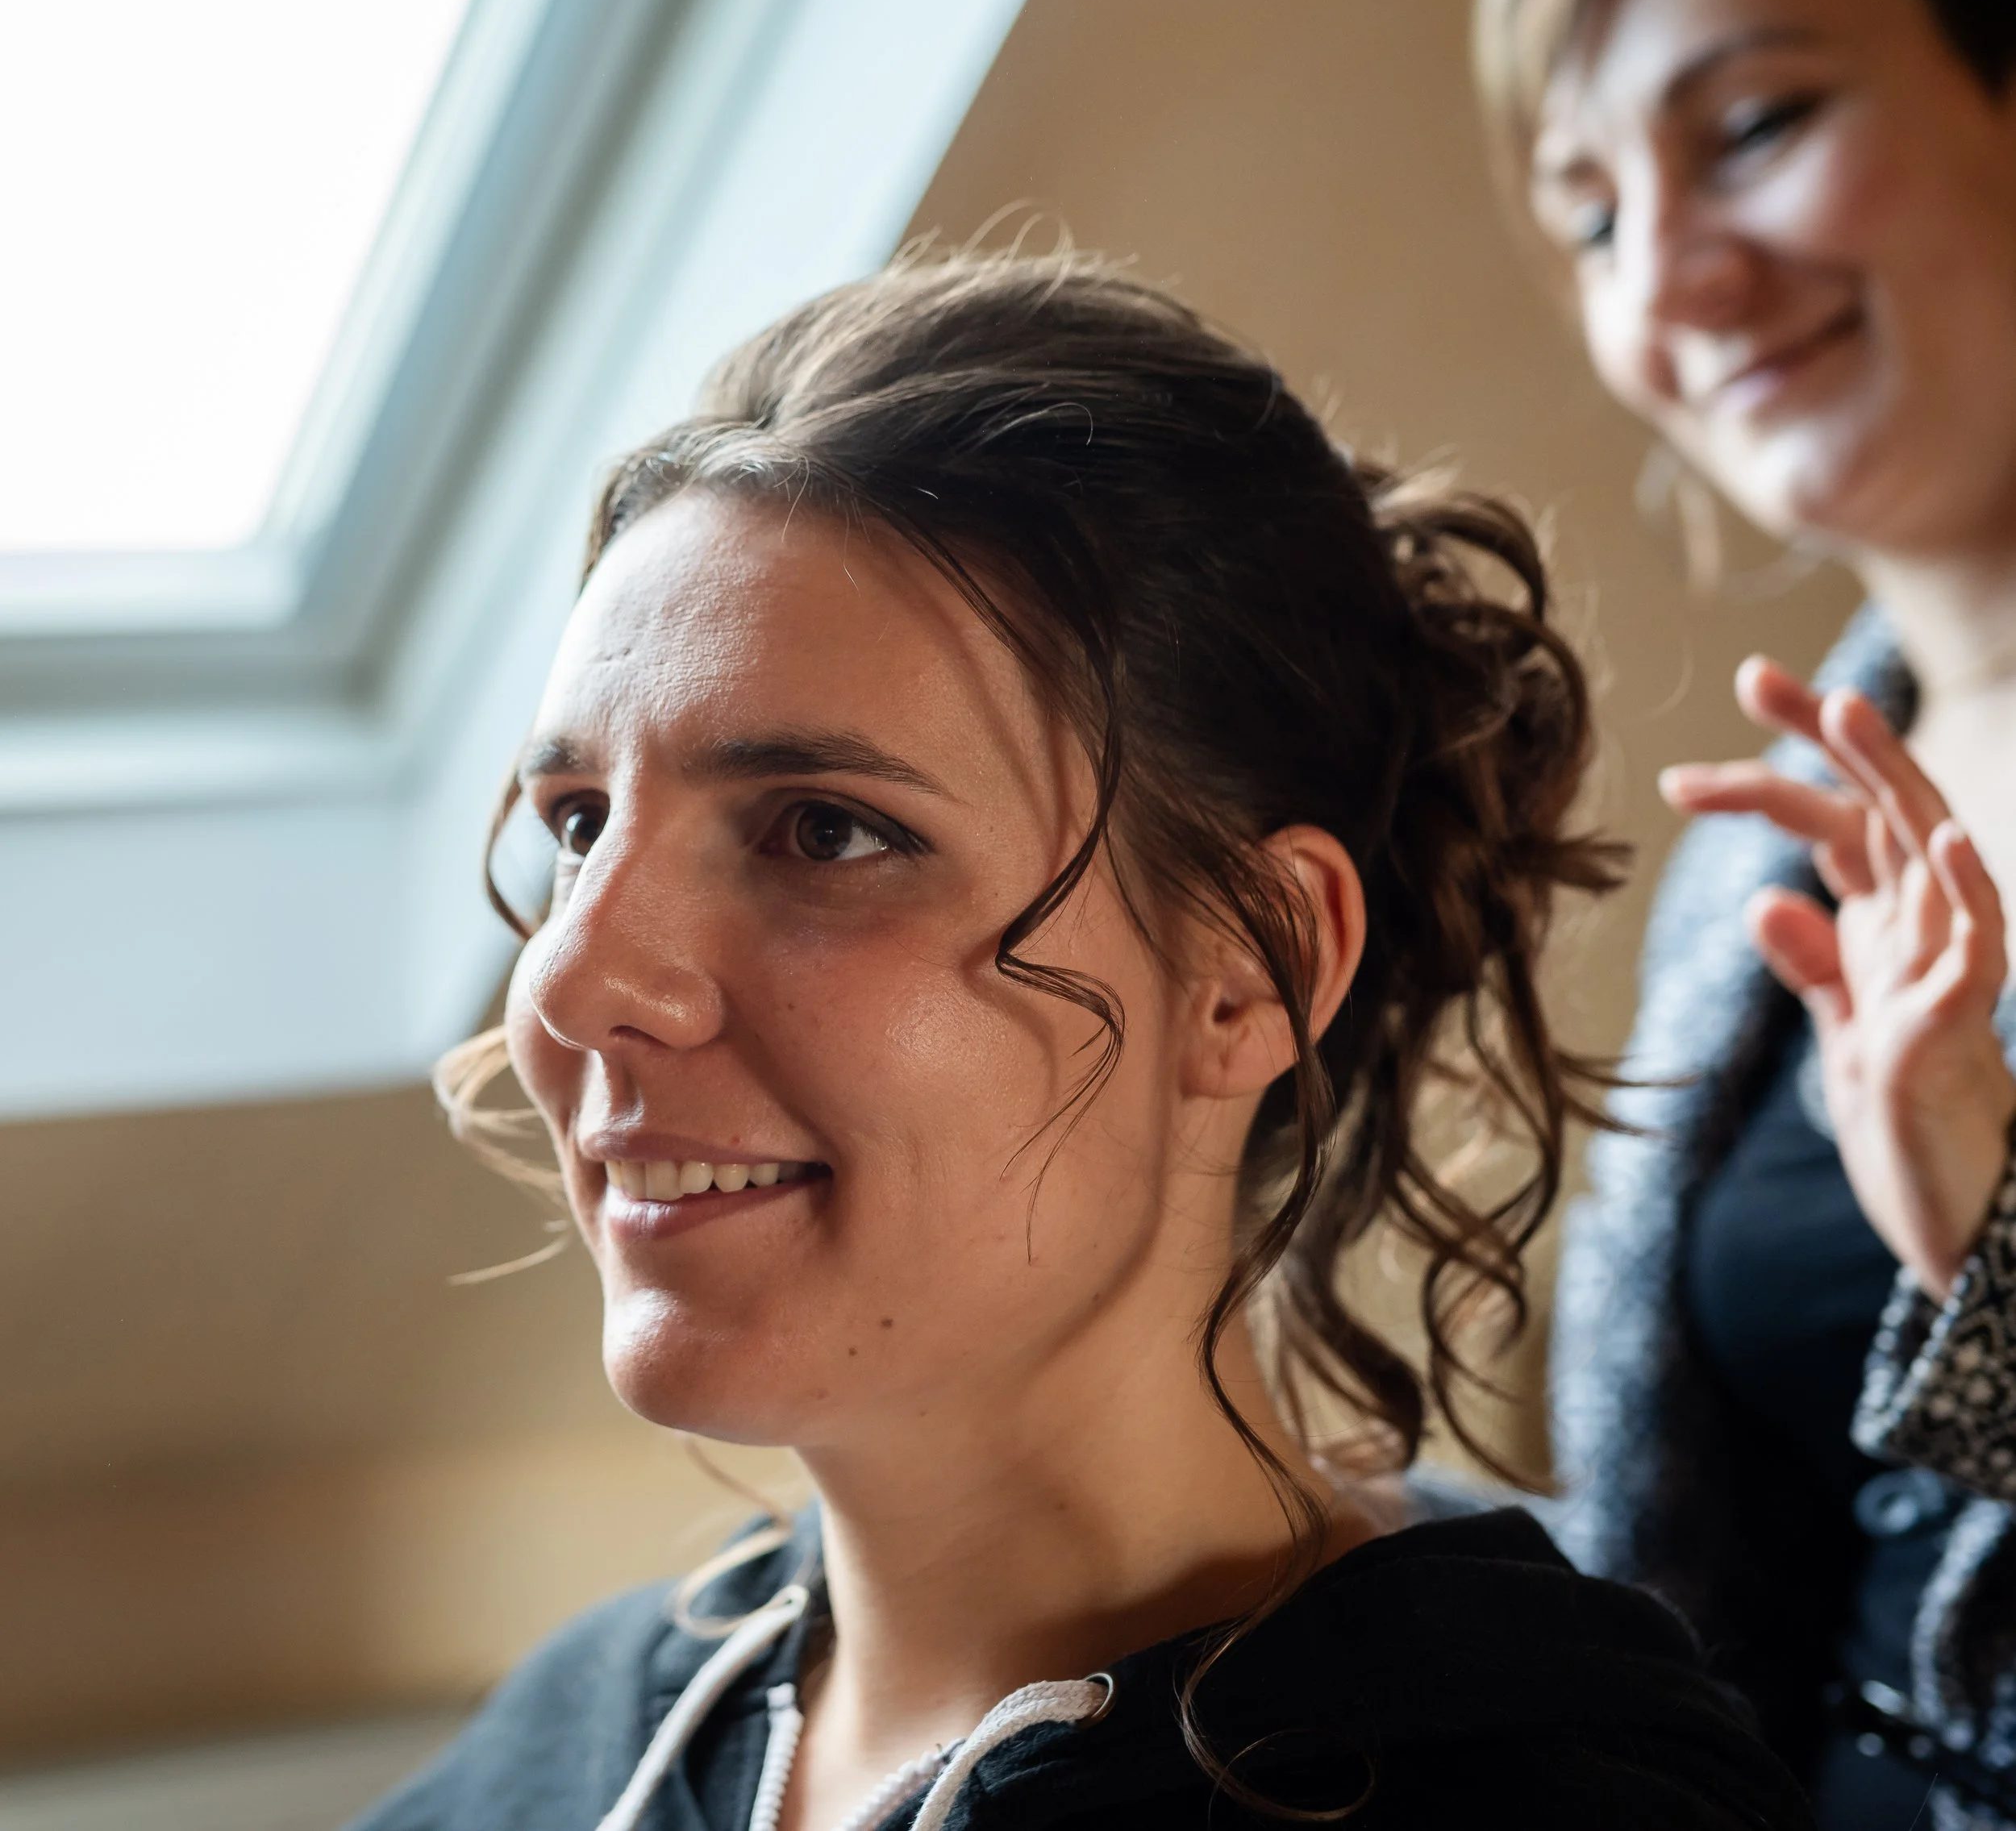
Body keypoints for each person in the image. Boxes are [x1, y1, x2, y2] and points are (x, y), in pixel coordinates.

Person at [349, 252, 1805, 1830]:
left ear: (1250, 966)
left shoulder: (1534, 1795)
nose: (570, 981)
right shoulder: (590, 1726)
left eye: (825, 831)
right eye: (577, 823)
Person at [1474, 0, 2016, 1826]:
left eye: (1756, 122)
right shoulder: (1750, 872)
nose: (1675, 278)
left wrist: (1990, 1245)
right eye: (1592, 215)